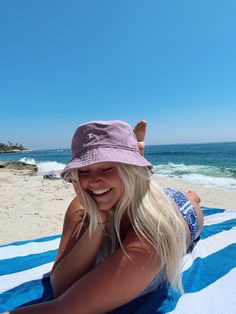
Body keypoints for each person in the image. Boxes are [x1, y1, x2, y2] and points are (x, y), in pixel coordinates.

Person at [6, 120, 203, 314]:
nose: (93, 180)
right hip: (135, 191)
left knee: (191, 197)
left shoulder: (151, 236)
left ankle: (144, 167)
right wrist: (98, 222)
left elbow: (68, 307)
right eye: (83, 170)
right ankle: (134, 158)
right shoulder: (82, 206)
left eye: (107, 168)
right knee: (129, 191)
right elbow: (60, 286)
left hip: (182, 211)